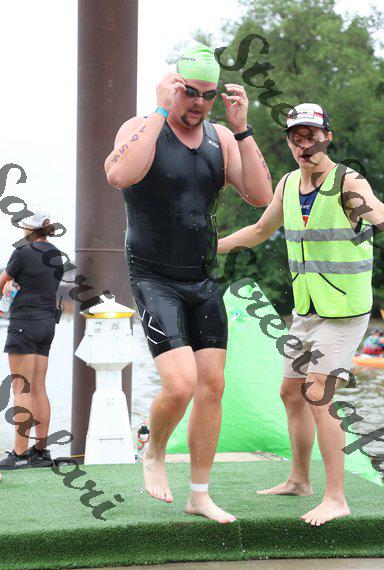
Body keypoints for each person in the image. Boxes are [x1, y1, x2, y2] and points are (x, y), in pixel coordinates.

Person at [104, 44, 273, 523]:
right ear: (171, 87)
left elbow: (261, 195)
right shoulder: (142, 127)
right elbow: (118, 174)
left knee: (212, 386)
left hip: (202, 278)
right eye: (189, 92)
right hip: (153, 276)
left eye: (208, 95)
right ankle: (154, 450)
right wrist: (160, 111)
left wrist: (243, 129)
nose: (198, 103)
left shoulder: (222, 139)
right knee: (179, 385)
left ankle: (199, 494)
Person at [218, 102, 384, 526]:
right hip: (307, 308)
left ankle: (336, 498)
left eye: (311, 135)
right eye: (296, 137)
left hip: (345, 310)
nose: (304, 144)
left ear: (327, 137)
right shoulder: (289, 184)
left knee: (316, 392)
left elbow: (379, 215)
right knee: (290, 393)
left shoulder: (349, 182)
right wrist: (211, 247)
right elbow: (260, 231)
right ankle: (299, 480)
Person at [0, 207, 64, 470]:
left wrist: (9, 286)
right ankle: (41, 452)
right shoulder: (57, 255)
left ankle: (20, 453)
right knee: (39, 388)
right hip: (47, 325)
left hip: (24, 323)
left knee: (21, 388)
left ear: (28, 229)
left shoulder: (22, 252)